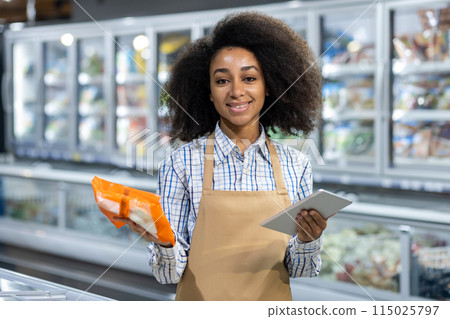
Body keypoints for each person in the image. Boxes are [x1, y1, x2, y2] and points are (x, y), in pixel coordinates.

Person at [117, 11, 326, 301]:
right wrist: (163, 242)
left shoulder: (297, 165)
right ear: (209, 92)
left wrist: (308, 239)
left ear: (269, 87)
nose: (237, 92)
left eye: (250, 78)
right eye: (222, 81)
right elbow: (168, 275)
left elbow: (301, 270)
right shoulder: (181, 164)